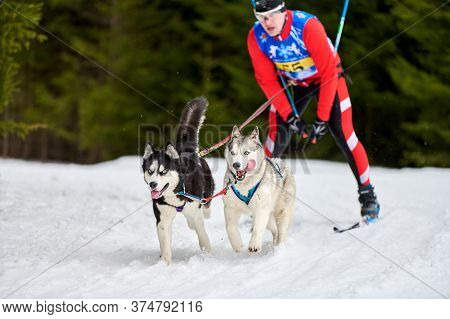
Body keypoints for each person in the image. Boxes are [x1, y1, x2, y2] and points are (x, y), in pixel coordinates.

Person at [247, 0, 380, 219]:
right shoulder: (256, 36)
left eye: (271, 15)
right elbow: (266, 80)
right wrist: (291, 118)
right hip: (293, 84)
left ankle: (368, 196)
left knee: (343, 133)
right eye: (261, 16)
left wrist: (321, 119)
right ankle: (262, 202)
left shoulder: (306, 26)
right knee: (276, 137)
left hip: (326, 79)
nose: (266, 22)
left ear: (283, 11)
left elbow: (328, 74)